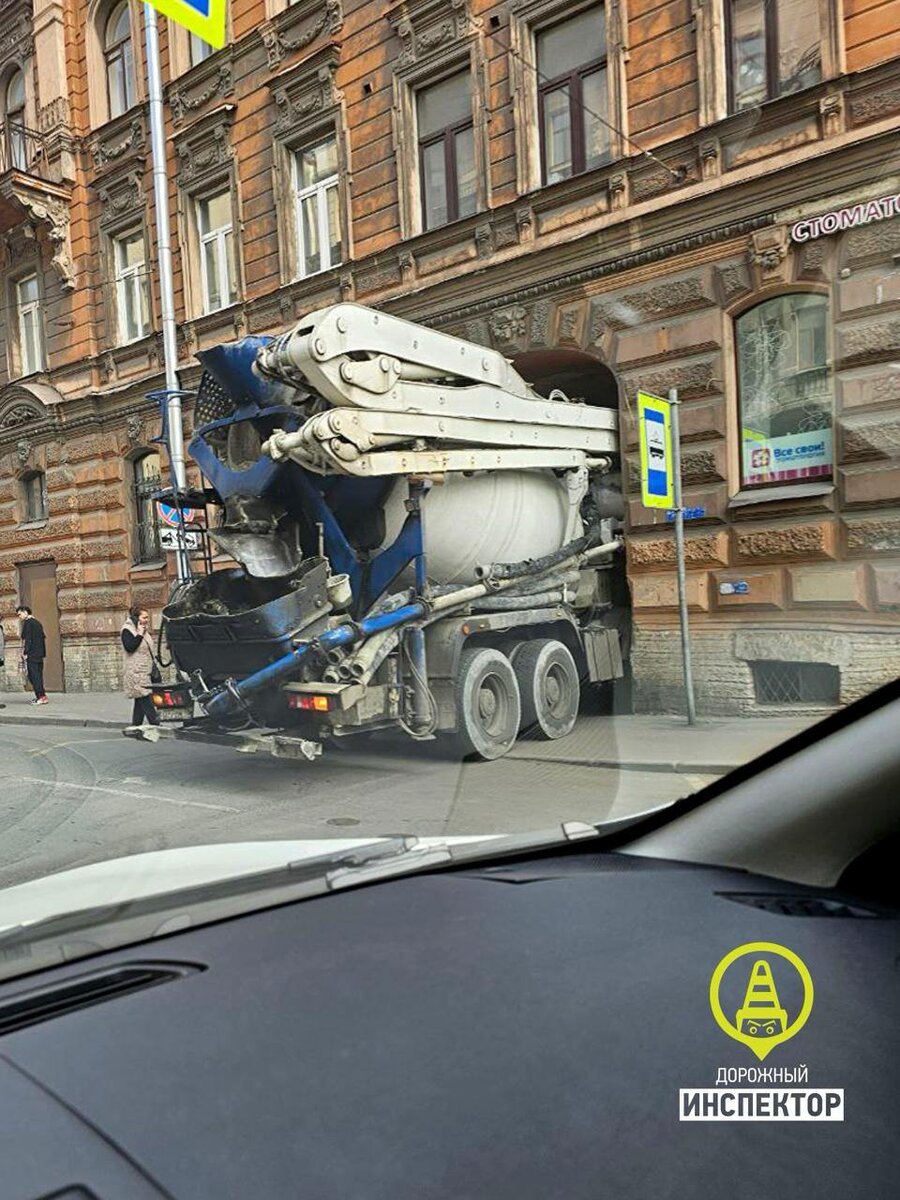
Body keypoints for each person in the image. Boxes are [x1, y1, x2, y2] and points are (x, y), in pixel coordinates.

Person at [121, 605, 161, 726]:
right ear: (136, 618)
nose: (147, 620)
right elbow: (130, 647)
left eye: (147, 617)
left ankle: (136, 726)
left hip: (145, 670)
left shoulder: (143, 630)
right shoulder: (127, 630)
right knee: (145, 698)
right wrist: (139, 634)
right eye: (144, 617)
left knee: (140, 700)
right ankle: (155, 725)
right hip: (136, 671)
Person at [16, 605, 48, 704]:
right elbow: (42, 638)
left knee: (33, 676)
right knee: (38, 675)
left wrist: (25, 653)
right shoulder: (37, 623)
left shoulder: (28, 623)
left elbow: (28, 639)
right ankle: (42, 696)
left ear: (25, 612)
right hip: (39, 653)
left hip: (32, 654)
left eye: (19, 614)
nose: (19, 617)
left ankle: (41, 697)